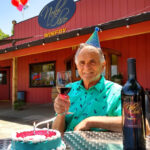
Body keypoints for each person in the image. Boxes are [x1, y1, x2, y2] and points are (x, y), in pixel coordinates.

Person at [52, 27, 150, 135]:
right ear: (76, 66)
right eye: (82, 63)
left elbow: (143, 125)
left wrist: (90, 122)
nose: (86, 67)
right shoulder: (69, 90)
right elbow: (56, 133)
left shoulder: (117, 92)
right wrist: (60, 114)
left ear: (103, 66)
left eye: (92, 62)